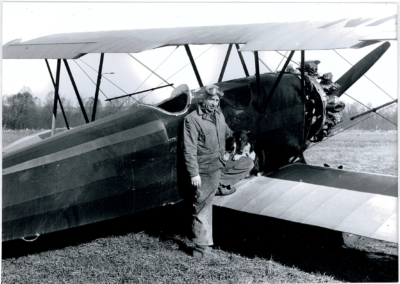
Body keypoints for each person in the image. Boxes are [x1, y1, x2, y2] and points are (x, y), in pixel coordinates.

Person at [183, 84, 232, 259]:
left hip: (217, 165)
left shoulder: (218, 114)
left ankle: (204, 246)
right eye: (211, 99)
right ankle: (201, 250)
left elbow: (227, 133)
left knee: (207, 203)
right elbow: (189, 149)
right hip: (203, 169)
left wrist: (236, 144)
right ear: (203, 99)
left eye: (217, 100)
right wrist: (194, 173)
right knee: (202, 206)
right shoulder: (192, 119)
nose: (214, 103)